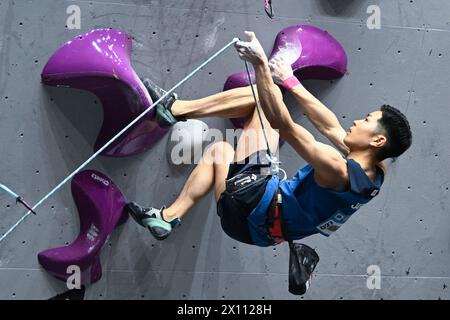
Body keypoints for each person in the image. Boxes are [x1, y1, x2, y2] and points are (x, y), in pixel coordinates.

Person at [126, 31, 412, 248]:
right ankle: (167, 218)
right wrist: (290, 81)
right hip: (252, 229)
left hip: (255, 205)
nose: (356, 121)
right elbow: (330, 125)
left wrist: (261, 65)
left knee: (261, 101)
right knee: (220, 152)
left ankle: (175, 109)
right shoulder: (376, 173)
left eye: (365, 121)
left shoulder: (335, 168)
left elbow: (282, 124)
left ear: (376, 141)